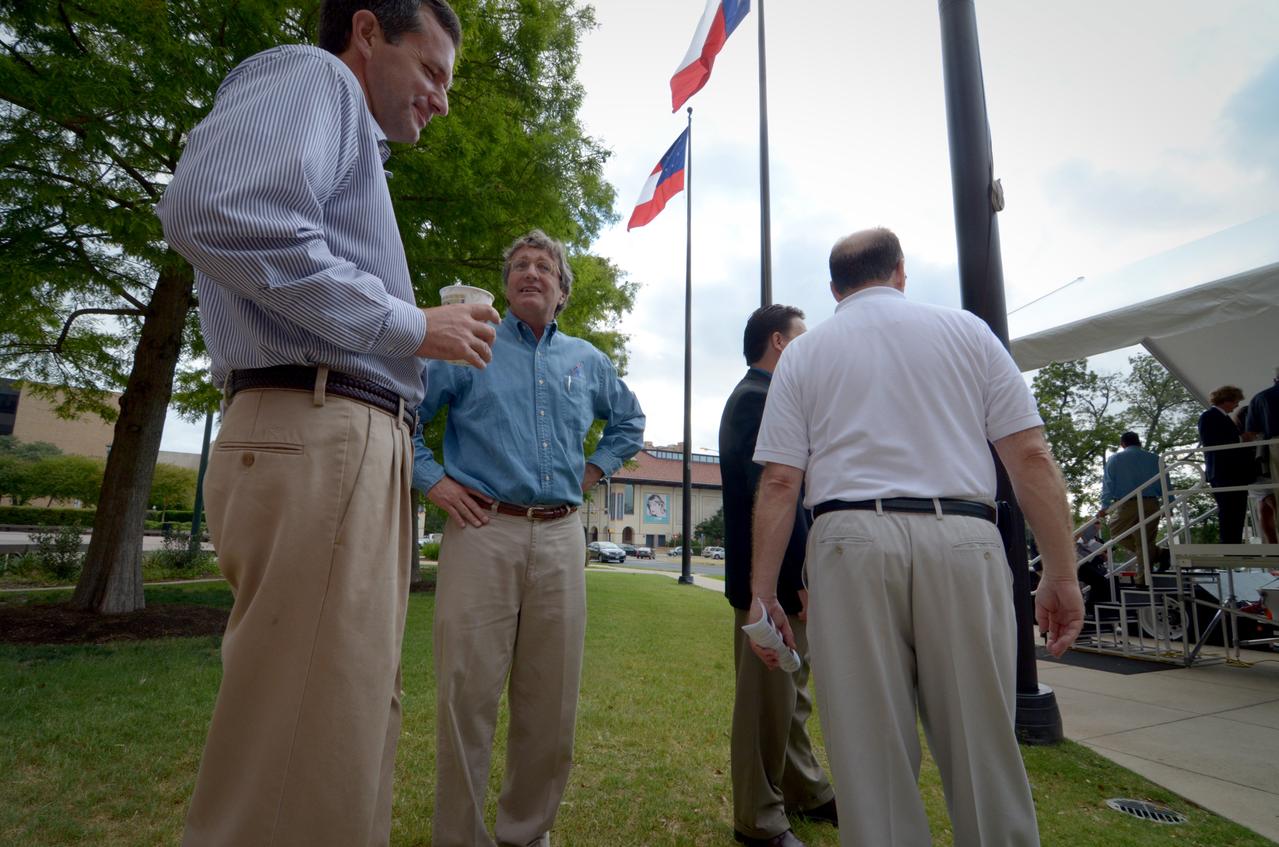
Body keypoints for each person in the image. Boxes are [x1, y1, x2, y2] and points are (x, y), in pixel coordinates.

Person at [156, 3, 500, 844]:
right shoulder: (313, 78)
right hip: (318, 428)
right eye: (431, 71)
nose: (442, 101)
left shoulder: (348, 141)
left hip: (345, 437)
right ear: (367, 31)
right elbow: (214, 210)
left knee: (340, 720)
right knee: (303, 738)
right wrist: (410, 326)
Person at [746, 228, 1082, 847]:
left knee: (871, 757)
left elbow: (779, 482)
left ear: (833, 288)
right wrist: (1060, 572)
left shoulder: (804, 353)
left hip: (849, 540)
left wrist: (764, 592)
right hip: (962, 534)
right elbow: (1029, 455)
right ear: (901, 271)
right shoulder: (968, 332)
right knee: (984, 743)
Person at [413, 230, 645, 847]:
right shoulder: (469, 345)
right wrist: (434, 483)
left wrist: (592, 470)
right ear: (507, 284)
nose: (531, 273)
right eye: (519, 265)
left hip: (563, 539)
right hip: (481, 531)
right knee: (467, 696)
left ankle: (527, 834)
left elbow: (630, 422)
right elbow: (405, 416)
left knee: (551, 704)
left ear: (562, 290)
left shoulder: (588, 361)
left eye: (544, 266)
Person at [718, 305, 835, 847]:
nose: (808, 348)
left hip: (784, 579)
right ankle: (759, 819)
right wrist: (793, 580)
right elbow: (774, 498)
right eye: (801, 338)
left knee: (789, 697)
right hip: (772, 584)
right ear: (779, 343)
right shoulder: (758, 401)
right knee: (766, 705)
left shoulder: (764, 399)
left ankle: (805, 790)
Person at [1098, 432, 1164, 583]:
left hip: (1128, 504)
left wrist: (1105, 506)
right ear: (1139, 442)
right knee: (1145, 543)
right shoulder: (1155, 458)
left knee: (1116, 530)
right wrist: (1169, 503)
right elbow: (1165, 481)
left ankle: (1157, 557)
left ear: (1122, 444)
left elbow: (1108, 483)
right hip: (1152, 503)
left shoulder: (1115, 459)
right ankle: (1145, 575)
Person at [1198, 385, 1254, 544]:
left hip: (1231, 471)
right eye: (1235, 401)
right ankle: (1229, 544)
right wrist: (1243, 438)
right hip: (1224, 471)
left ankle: (1234, 543)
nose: (1237, 405)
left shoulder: (1220, 417)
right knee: (1230, 509)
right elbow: (1212, 441)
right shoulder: (1209, 416)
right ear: (1226, 400)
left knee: (1237, 509)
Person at [1245, 368, 1279, 543]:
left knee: (1268, 501)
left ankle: (1274, 546)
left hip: (1272, 448)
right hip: (1268, 454)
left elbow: (1250, 432)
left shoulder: (1260, 398)